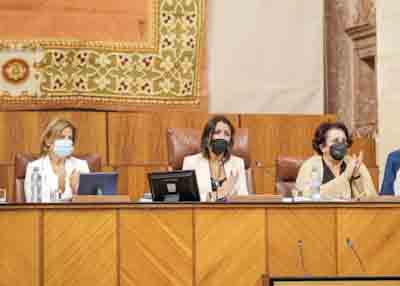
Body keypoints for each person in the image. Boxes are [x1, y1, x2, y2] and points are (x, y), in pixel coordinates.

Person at [296, 122, 377, 200]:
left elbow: (371, 199)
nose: (341, 145)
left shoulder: (355, 164)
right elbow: (306, 196)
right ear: (323, 147)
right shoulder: (310, 166)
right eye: (335, 141)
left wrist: (356, 176)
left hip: (350, 213)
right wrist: (346, 176)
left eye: (344, 141)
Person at [182, 115, 248, 201]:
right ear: (207, 137)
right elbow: (187, 199)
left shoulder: (237, 163)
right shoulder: (190, 162)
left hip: (231, 212)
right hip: (202, 213)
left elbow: (244, 198)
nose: (222, 137)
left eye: (227, 134)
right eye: (217, 132)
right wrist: (219, 193)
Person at [24, 118, 90, 202]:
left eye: (69, 138)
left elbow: (89, 205)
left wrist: (75, 190)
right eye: (62, 137)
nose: (66, 141)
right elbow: (33, 203)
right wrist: (59, 189)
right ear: (47, 141)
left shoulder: (80, 166)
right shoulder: (34, 168)